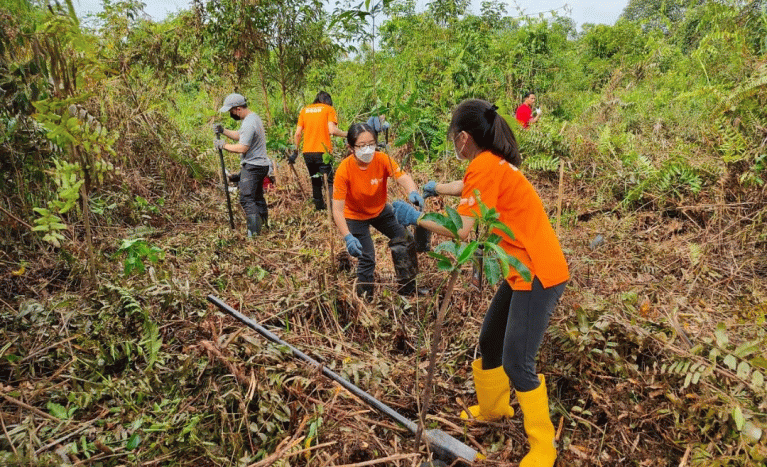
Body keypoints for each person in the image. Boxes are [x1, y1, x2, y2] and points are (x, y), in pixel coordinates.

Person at [392, 99, 569, 467]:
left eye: (453, 138)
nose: (453, 143)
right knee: (490, 339)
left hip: (538, 271)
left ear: (464, 138)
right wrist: (435, 187)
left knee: (518, 361)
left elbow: (460, 230)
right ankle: (495, 409)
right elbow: (468, 185)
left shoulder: (484, 167)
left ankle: (543, 447)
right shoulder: (488, 163)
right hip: (521, 266)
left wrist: (418, 217)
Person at [332, 123, 425, 299]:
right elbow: (337, 210)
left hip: (381, 210)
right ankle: (365, 300)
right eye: (361, 146)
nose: (367, 150)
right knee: (367, 258)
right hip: (355, 216)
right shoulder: (344, 170)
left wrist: (412, 191)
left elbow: (403, 177)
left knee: (405, 239)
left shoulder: (382, 159)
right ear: (350, 147)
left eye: (371, 144)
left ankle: (408, 290)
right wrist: (348, 237)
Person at [215, 93, 270, 237]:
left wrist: (223, 145)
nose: (231, 114)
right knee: (257, 197)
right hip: (261, 164)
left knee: (246, 198)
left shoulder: (249, 122)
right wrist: (223, 131)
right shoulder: (253, 118)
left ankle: (254, 234)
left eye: (231, 111)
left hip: (253, 166)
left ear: (238, 109)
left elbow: (242, 147)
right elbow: (240, 135)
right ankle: (265, 226)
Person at [292, 91, 347, 211]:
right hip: (323, 152)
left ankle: (319, 208)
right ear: (327, 101)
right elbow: (332, 130)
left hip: (307, 152)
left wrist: (295, 151)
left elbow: (297, 134)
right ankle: (334, 210)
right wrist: (347, 134)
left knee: (315, 180)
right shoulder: (328, 109)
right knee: (329, 182)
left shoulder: (304, 110)